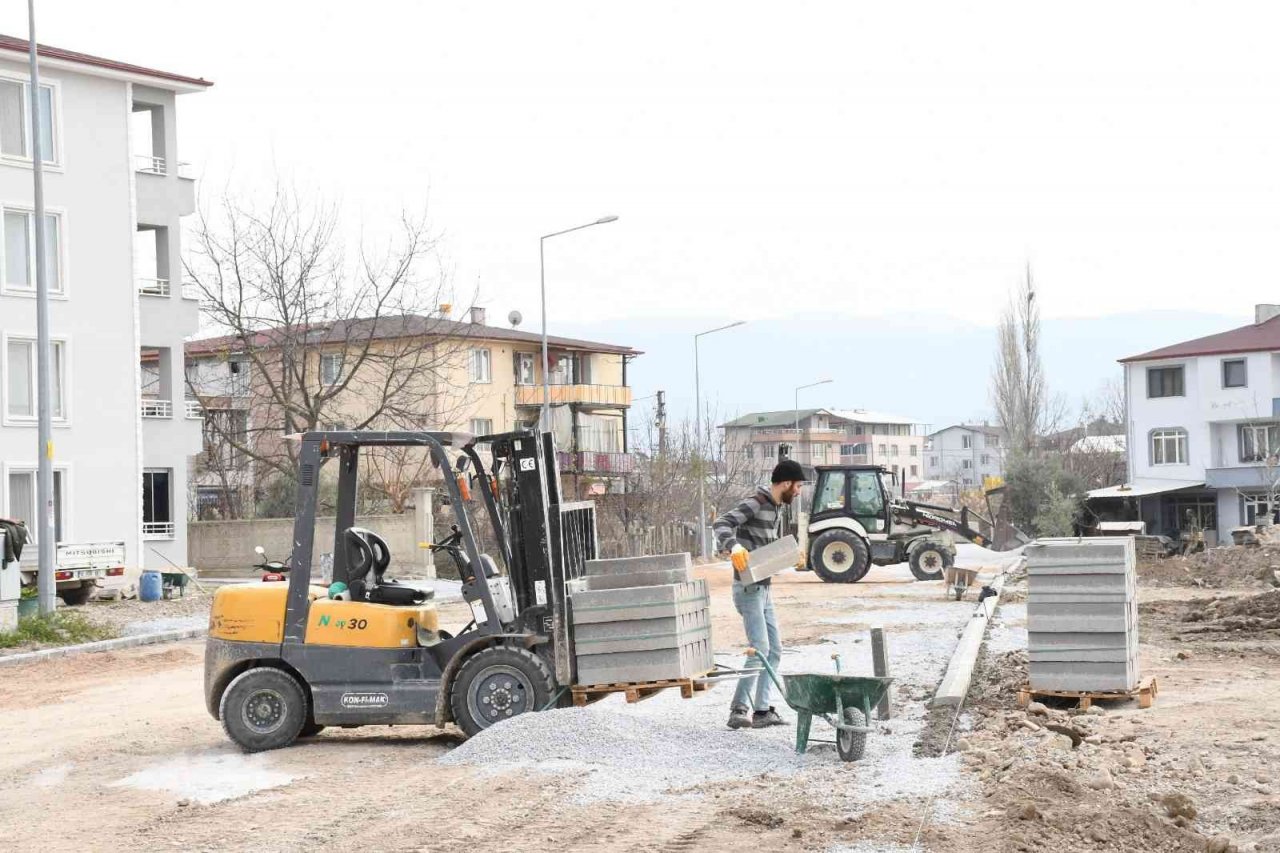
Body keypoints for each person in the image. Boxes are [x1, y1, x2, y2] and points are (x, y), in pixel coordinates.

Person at [714, 459, 806, 730]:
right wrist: (733, 547)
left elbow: (762, 548)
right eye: (798, 486)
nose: (799, 492)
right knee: (760, 649)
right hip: (748, 589)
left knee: (774, 649)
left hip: (763, 588)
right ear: (786, 483)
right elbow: (721, 523)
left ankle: (763, 711)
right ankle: (739, 709)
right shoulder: (757, 501)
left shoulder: (775, 507)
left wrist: (789, 555)